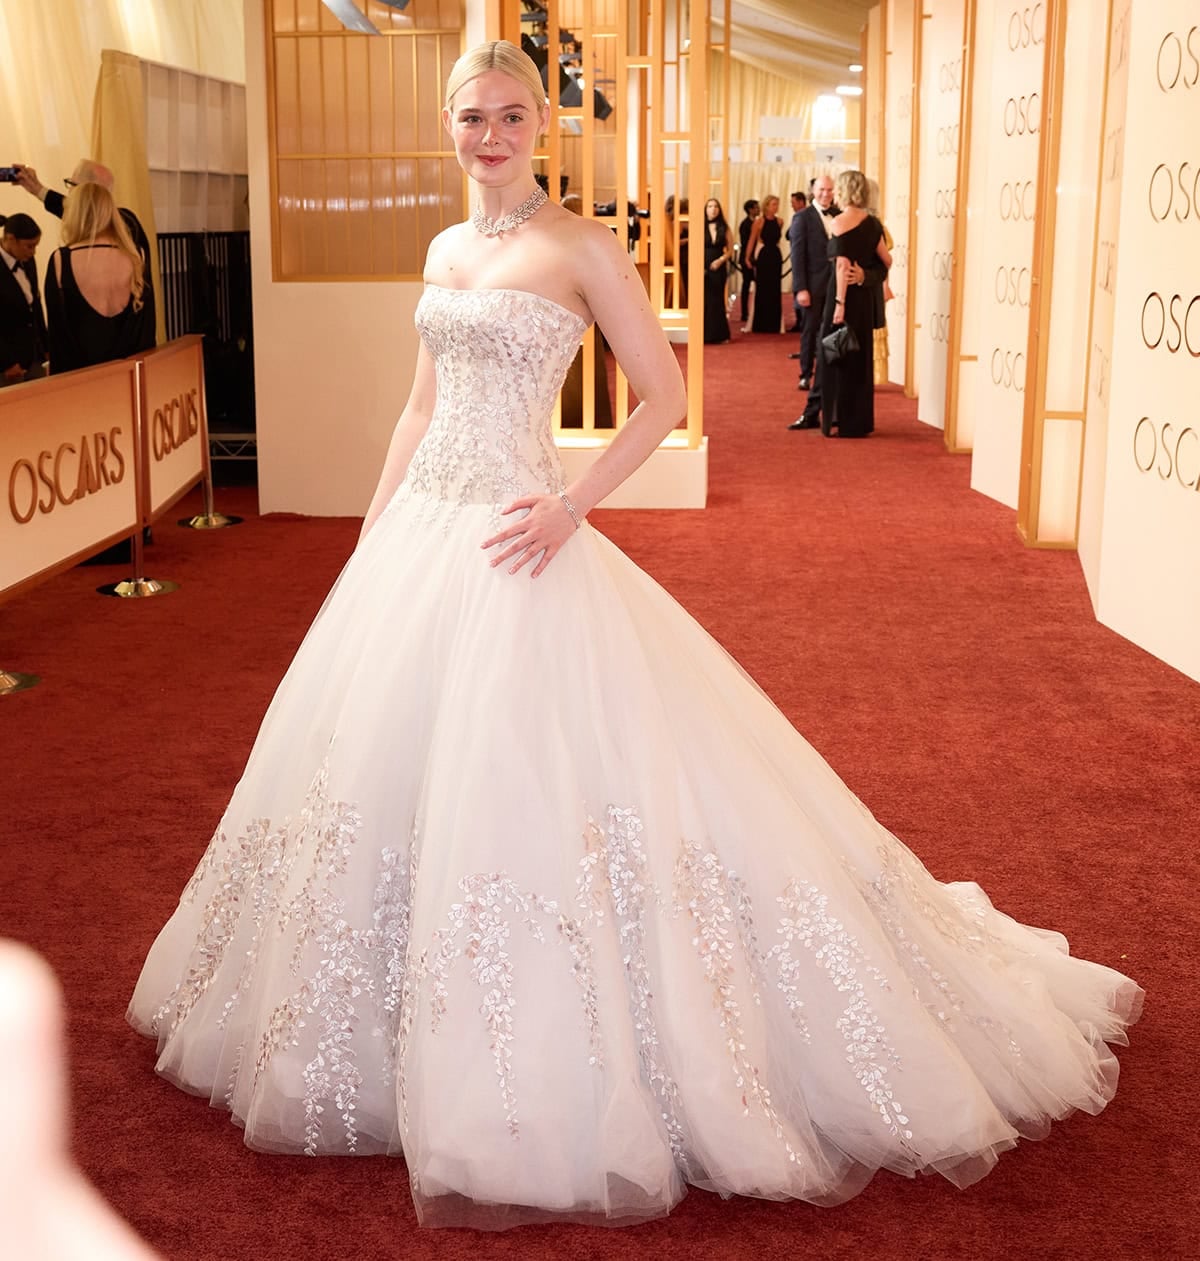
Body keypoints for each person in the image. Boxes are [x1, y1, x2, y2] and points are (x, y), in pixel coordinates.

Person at [127, 40, 1140, 1232]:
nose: (491, 134)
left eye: (512, 115)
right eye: (472, 116)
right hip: (423, 541)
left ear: (542, 125)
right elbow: (419, 407)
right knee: (379, 774)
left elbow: (660, 393)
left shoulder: (582, 247)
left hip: (520, 534)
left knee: (535, 783)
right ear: (447, 125)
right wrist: (373, 533)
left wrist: (568, 504)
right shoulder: (446, 248)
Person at [13, 159, 156, 340]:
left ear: (86, 194)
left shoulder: (64, 258)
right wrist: (38, 189)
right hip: (134, 353)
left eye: (72, 187)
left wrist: (38, 190)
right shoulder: (126, 228)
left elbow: (86, 215)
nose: (70, 196)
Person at [44, 184, 155, 373]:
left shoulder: (60, 261)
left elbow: (58, 340)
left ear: (73, 214)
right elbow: (146, 332)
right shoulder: (137, 257)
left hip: (81, 384)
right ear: (111, 213)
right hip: (131, 380)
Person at [818, 169, 892, 439]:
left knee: (833, 355)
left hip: (843, 300)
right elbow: (887, 261)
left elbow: (841, 266)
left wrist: (839, 304)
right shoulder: (873, 223)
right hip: (862, 302)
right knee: (859, 360)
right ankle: (857, 422)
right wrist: (865, 277)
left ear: (845, 190)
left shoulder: (839, 222)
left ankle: (835, 419)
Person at [791, 174, 837, 390]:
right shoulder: (802, 217)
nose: (826, 194)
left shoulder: (840, 215)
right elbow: (797, 255)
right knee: (810, 330)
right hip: (812, 285)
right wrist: (801, 288)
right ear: (813, 191)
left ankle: (830, 372)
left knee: (835, 329)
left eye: (829, 190)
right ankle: (805, 373)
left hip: (837, 284)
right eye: (822, 190)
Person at [0, 213, 48, 387]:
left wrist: (46, 346)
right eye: (29, 246)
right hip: (8, 363)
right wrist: (6, 362)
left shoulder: (28, 261)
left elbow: (35, 306)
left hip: (33, 355)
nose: (33, 252)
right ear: (11, 239)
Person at [745, 194, 784, 333]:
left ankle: (774, 323)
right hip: (763, 256)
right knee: (762, 289)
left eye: (777, 204)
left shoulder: (780, 221)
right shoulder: (759, 222)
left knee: (775, 289)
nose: (776, 207)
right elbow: (752, 240)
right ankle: (760, 323)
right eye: (773, 204)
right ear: (766, 206)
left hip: (775, 256)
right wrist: (747, 258)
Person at [701, 197, 732, 344]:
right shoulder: (699, 226)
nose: (713, 209)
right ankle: (705, 334)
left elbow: (730, 250)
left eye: (716, 206)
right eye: (710, 206)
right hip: (703, 265)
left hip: (718, 266)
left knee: (718, 299)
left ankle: (720, 334)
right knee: (705, 300)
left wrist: (720, 260)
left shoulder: (724, 227)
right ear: (705, 209)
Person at [785, 191, 807, 336]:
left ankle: (801, 321)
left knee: (799, 288)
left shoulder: (802, 216)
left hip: (802, 258)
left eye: (793, 202)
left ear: (800, 202)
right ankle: (800, 321)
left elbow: (789, 234)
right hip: (797, 256)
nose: (792, 205)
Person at [736, 198, 759, 324]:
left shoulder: (756, 222)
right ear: (750, 209)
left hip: (755, 257)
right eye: (756, 207)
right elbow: (746, 243)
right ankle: (744, 312)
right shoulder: (745, 224)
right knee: (746, 285)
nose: (758, 209)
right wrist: (748, 258)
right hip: (747, 257)